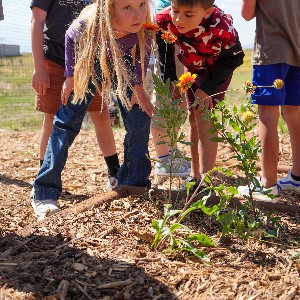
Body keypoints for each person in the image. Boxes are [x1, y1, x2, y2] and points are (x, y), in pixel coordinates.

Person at [31, 0, 155, 218]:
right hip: (87, 57)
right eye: (127, 7)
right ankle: (44, 190)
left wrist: (137, 86)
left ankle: (134, 183)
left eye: (142, 4)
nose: (138, 14)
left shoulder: (143, 24)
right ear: (110, 9)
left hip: (122, 59)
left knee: (139, 113)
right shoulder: (91, 21)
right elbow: (70, 36)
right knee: (66, 121)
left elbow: (143, 50)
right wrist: (70, 76)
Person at [30, 0, 120, 191]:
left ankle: (115, 173)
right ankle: (44, 177)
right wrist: (39, 68)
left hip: (89, 62)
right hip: (55, 57)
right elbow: (37, 22)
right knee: (52, 118)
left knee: (101, 115)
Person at [155, 0, 244, 191]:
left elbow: (236, 57)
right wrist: (170, 80)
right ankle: (195, 176)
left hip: (217, 69)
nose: (178, 19)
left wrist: (208, 88)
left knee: (205, 117)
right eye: (175, 10)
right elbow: (164, 47)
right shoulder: (163, 20)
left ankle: (206, 181)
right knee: (193, 118)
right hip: (193, 67)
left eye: (188, 15)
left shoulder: (222, 27)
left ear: (207, 12)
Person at [238, 0, 300, 201]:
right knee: (294, 114)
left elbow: (247, 14)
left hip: (271, 50)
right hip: (297, 49)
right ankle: (297, 177)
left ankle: (268, 183)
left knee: (267, 115)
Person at [151, 0, 191, 178]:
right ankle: (162, 157)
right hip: (169, 41)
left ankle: (172, 149)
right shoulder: (164, 11)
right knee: (163, 102)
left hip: (183, 46)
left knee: (177, 106)